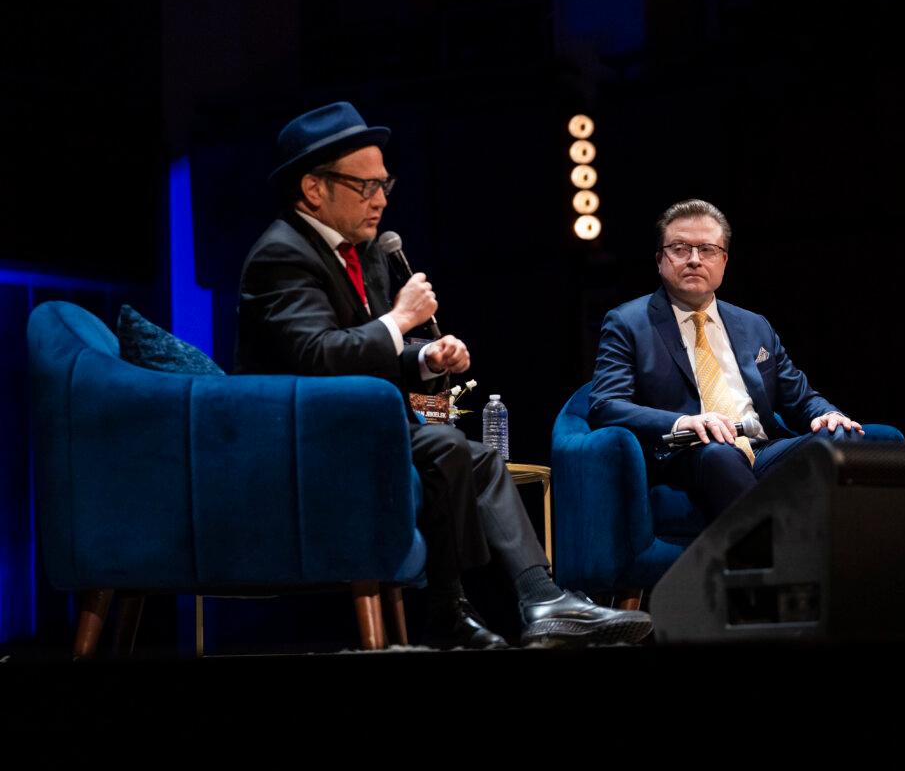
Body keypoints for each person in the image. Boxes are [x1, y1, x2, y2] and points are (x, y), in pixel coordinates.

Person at [237, 101, 651, 648]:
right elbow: (316, 356)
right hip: (299, 439)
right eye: (365, 186)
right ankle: (447, 612)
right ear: (314, 188)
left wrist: (423, 359)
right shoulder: (281, 255)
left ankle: (540, 599)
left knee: (479, 459)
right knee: (446, 448)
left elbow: (367, 352)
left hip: (358, 427)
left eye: (385, 184)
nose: (381, 199)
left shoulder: (362, 252)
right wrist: (400, 320)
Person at [588, 199, 863, 522]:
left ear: (724, 260)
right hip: (693, 452)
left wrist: (828, 414)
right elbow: (605, 405)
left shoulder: (754, 325)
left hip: (763, 450)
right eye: (680, 249)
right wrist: (682, 422)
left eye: (707, 249)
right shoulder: (628, 322)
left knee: (843, 437)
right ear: (660, 259)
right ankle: (772, 545)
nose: (694, 259)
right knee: (720, 455)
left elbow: (801, 399)